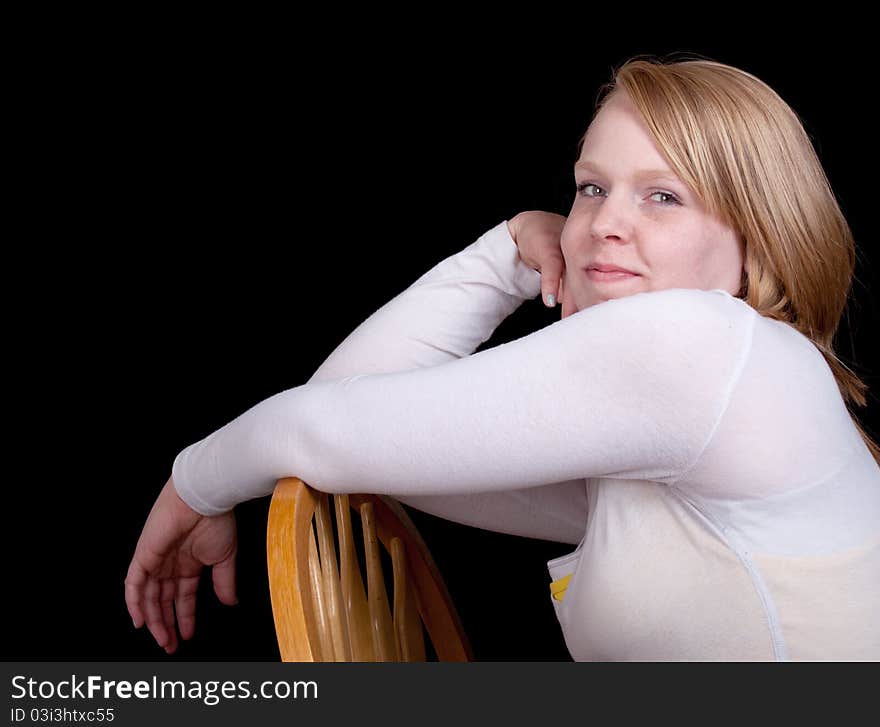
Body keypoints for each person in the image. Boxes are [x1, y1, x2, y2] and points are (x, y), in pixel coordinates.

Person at [125, 55, 880, 661]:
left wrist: (194, 485)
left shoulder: (701, 345)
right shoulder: (705, 411)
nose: (603, 224)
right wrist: (511, 251)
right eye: (591, 188)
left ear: (758, 233)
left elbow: (321, 426)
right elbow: (356, 424)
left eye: (663, 197)